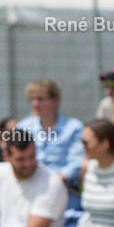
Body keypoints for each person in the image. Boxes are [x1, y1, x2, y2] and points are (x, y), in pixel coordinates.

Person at [18, 79, 84, 207]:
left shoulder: (74, 127)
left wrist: (53, 182)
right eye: (32, 99)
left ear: (56, 100)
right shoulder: (23, 127)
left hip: (65, 191)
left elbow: (77, 163)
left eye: (41, 99)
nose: (35, 104)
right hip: (30, 188)